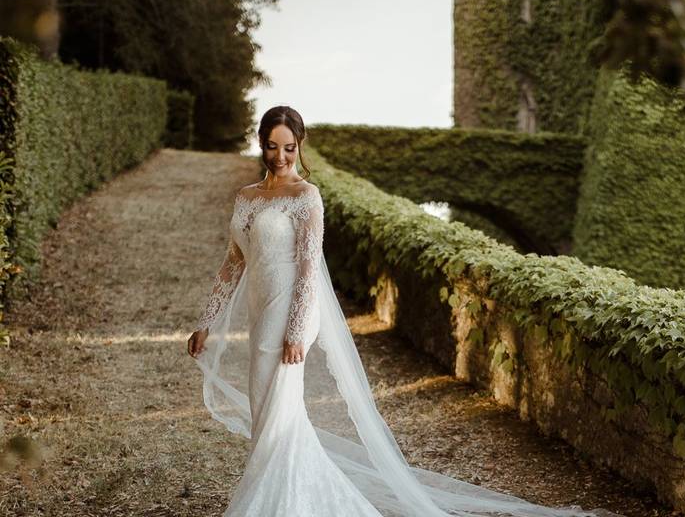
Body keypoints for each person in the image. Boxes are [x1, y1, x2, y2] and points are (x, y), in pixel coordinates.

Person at [186, 105, 605, 517]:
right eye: (273, 147)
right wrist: (207, 322)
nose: (281, 157)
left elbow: (310, 267)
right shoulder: (247, 198)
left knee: (276, 401)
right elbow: (233, 262)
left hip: (292, 309)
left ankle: (271, 504)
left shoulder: (306, 197)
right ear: (261, 144)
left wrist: (296, 330)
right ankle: (297, 494)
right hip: (261, 309)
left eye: (289, 148)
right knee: (268, 406)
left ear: (300, 146)